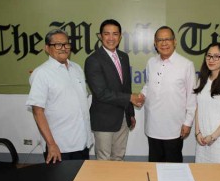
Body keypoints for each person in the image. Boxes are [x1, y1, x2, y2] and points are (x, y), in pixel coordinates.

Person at [26, 29, 93, 164]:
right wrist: (51, 144)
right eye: (57, 45)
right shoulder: (42, 73)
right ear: (47, 48)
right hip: (59, 146)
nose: (63, 48)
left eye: (66, 44)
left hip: (82, 143)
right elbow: (37, 111)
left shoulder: (77, 68)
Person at [84, 19, 143, 161]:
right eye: (107, 34)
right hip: (104, 118)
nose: (111, 38)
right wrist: (129, 98)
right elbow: (101, 93)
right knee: (104, 159)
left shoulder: (124, 56)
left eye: (115, 34)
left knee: (118, 157)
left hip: (123, 117)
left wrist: (130, 113)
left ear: (120, 36)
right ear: (100, 36)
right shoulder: (93, 60)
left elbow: (126, 87)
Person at [140, 26, 197, 162]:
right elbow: (149, 85)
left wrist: (188, 122)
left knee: (173, 168)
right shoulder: (151, 62)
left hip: (174, 128)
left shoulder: (186, 65)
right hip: (153, 126)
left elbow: (191, 96)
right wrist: (141, 95)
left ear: (175, 41)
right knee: (154, 165)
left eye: (167, 39)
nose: (164, 43)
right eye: (160, 40)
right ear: (155, 43)